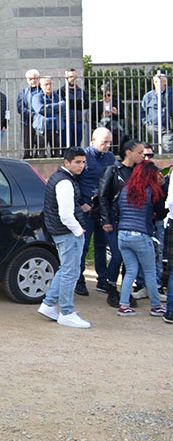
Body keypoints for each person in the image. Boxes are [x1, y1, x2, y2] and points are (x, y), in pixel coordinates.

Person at [37, 146, 91, 328]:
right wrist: (78, 230)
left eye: (83, 162)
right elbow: (66, 215)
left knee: (66, 270)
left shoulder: (60, 178)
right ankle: (66, 312)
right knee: (70, 272)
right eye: (77, 162)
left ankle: (48, 304)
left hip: (63, 232)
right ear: (66, 162)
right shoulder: (65, 182)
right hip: (67, 233)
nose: (81, 166)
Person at [114, 161, 167, 317]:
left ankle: (124, 306)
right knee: (150, 271)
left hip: (122, 234)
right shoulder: (152, 191)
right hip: (141, 234)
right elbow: (161, 213)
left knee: (130, 271)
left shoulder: (124, 189)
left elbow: (119, 210)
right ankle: (156, 306)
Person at [97, 138, 146, 306]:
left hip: (132, 219)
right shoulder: (113, 170)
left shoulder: (139, 172)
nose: (143, 156)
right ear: (129, 153)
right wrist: (106, 220)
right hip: (114, 218)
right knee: (117, 254)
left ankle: (125, 289)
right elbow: (103, 196)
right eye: (140, 152)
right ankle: (111, 286)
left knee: (130, 257)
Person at [76, 127, 116, 296]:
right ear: (93, 140)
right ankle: (79, 280)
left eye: (109, 142)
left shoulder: (110, 157)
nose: (107, 145)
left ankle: (102, 279)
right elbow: (73, 181)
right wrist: (81, 203)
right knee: (83, 246)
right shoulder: (83, 156)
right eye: (104, 142)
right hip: (86, 208)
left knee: (101, 245)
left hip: (103, 208)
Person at [32, 76, 65, 158]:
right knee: (41, 154)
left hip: (56, 128)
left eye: (50, 84)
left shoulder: (57, 96)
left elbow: (63, 106)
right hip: (42, 129)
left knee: (57, 153)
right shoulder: (37, 97)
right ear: (41, 86)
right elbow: (41, 109)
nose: (49, 86)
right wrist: (57, 107)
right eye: (46, 84)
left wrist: (48, 106)